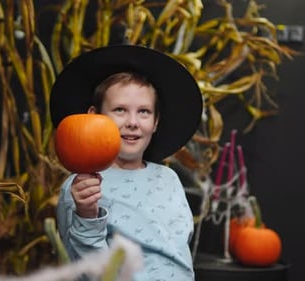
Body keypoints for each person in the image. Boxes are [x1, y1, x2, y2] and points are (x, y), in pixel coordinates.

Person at [50, 45, 203, 280]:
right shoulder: (82, 188)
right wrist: (87, 215)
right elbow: (85, 270)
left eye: (144, 112)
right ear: (95, 117)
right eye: (120, 110)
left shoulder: (168, 178)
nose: (132, 122)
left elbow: (178, 254)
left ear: (156, 122)